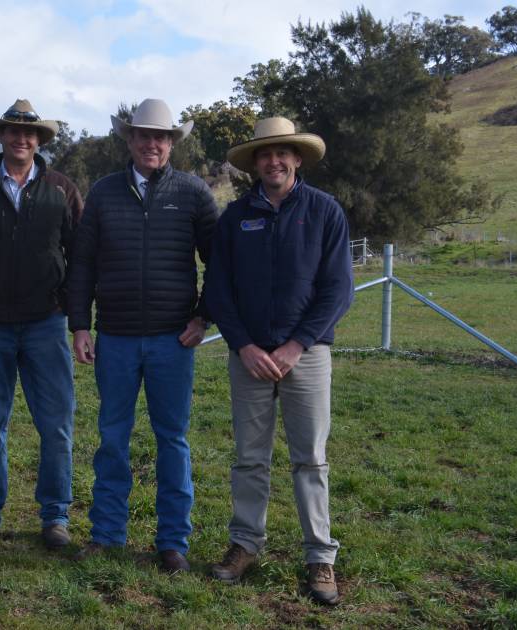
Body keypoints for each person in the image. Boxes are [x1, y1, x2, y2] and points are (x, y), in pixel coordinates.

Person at [204, 116, 353, 605]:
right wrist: (244, 344)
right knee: (250, 457)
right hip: (247, 355)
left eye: (282, 152)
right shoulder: (234, 217)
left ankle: (320, 558)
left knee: (310, 458)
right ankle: (245, 545)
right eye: (264, 154)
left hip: (305, 357)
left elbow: (337, 290)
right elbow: (218, 291)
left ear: (297, 158)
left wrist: (296, 346)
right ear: (255, 164)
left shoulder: (325, 211)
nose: (273, 160)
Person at [66, 98, 217, 573]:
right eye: (144, 135)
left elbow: (221, 262)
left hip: (174, 340)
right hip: (116, 338)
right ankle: (107, 534)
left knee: (172, 439)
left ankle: (173, 542)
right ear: (128, 140)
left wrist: (203, 316)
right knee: (113, 436)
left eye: (162, 137)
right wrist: (80, 324)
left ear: (172, 143)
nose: (153, 143)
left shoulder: (193, 193)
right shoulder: (104, 192)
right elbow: (83, 262)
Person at [0, 99, 83, 549]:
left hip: (46, 324)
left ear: (40, 140)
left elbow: (81, 256)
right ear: (1, 137)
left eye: (30, 133)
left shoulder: (62, 189)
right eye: (13, 131)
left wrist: (70, 308)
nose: (22, 138)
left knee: (57, 425)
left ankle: (55, 518)